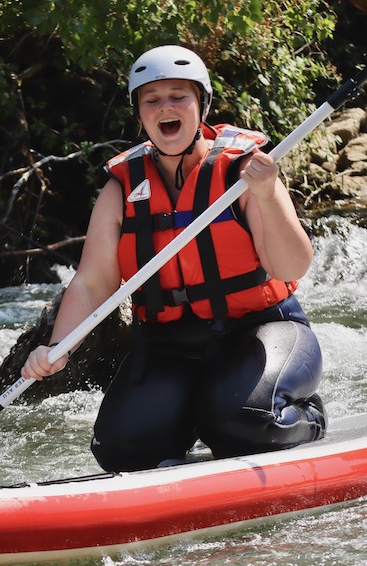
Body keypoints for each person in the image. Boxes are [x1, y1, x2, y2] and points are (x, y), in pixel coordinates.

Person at [21, 45, 326, 472]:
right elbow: (92, 282)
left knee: (243, 423)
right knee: (120, 449)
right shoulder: (121, 187)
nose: (166, 106)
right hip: (170, 344)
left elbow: (291, 268)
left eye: (179, 95)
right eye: (152, 99)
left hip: (259, 330)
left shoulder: (245, 172)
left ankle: (308, 418)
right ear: (141, 113)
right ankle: (194, 422)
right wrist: (59, 348)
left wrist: (267, 194)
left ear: (201, 103)